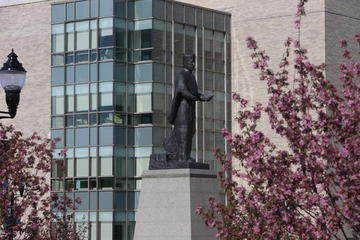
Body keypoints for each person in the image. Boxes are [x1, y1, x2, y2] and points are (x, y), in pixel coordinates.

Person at [164, 54, 213, 162]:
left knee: (191, 131)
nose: (193, 64)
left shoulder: (191, 76)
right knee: (184, 132)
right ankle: (182, 157)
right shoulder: (181, 74)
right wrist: (195, 98)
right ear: (185, 62)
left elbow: (194, 93)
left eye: (194, 62)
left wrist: (204, 97)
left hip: (190, 108)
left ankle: (185, 155)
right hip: (183, 109)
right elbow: (182, 90)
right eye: (191, 62)